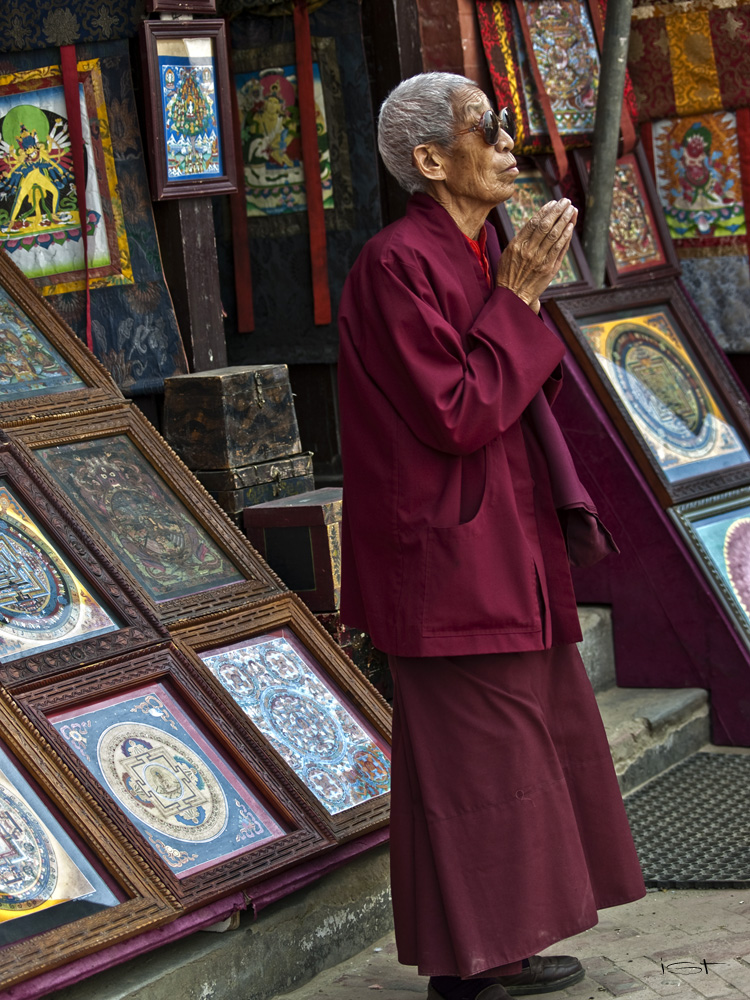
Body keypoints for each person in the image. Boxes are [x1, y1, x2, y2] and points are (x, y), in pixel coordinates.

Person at [337, 73, 646, 1000]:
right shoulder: (397, 264)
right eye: (488, 129)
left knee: (512, 746)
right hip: (446, 554)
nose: (509, 143)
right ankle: (476, 965)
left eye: (505, 126)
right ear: (431, 161)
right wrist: (516, 302)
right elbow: (458, 410)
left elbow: (506, 396)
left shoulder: (480, 252)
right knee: (478, 755)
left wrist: (515, 295)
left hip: (498, 541)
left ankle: (483, 954)